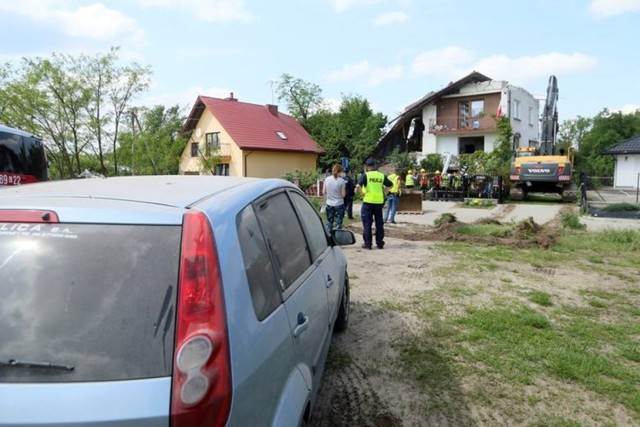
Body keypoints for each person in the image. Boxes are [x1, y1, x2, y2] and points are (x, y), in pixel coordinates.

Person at [355, 158, 392, 250]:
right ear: (375, 166)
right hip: (379, 202)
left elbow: (358, 186)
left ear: (367, 167)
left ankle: (368, 244)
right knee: (379, 223)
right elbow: (390, 185)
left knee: (367, 223)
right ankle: (379, 243)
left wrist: (362, 194)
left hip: (368, 202)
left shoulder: (365, 175)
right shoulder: (381, 175)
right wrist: (384, 191)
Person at [323, 163, 346, 231]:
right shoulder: (342, 181)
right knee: (338, 222)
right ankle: (337, 237)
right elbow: (343, 195)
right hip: (339, 203)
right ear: (339, 171)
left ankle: (328, 236)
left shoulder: (327, 179)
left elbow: (323, 191)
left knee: (329, 222)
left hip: (329, 203)